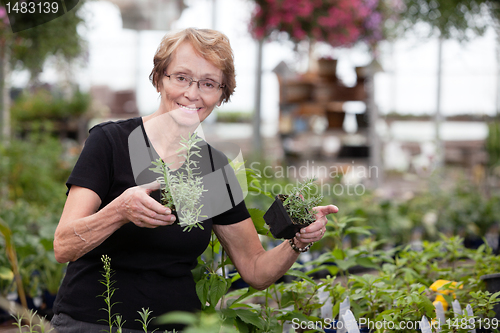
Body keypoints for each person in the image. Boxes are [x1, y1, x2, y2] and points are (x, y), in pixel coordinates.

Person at [51, 28, 338, 333]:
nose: (192, 93)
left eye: (208, 83)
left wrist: (297, 241)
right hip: (93, 323)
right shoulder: (110, 142)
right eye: (181, 77)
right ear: (160, 77)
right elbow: (63, 245)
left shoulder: (216, 168)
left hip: (176, 326)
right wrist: (119, 211)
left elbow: (254, 269)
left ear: (221, 93)